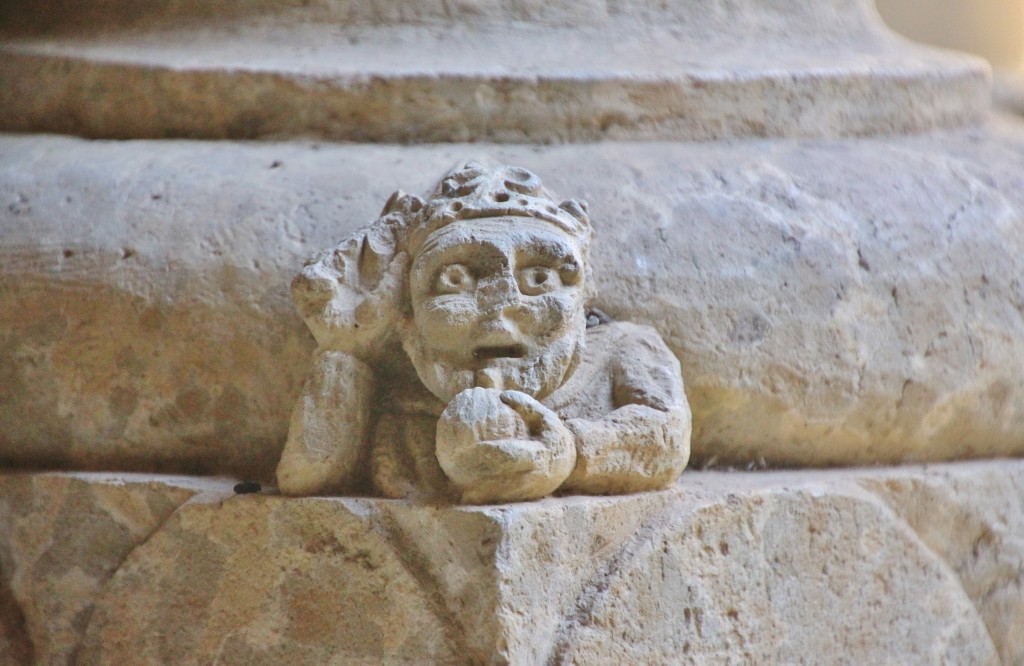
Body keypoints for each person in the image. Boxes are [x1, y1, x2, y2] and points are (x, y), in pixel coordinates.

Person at [276, 162, 691, 503]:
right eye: (455, 280)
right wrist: (346, 353)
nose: (502, 303)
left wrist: (568, 450)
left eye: (539, 277)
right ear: (407, 315)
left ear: (582, 301)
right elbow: (310, 474)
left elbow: (666, 435)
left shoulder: (623, 350)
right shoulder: (402, 389)